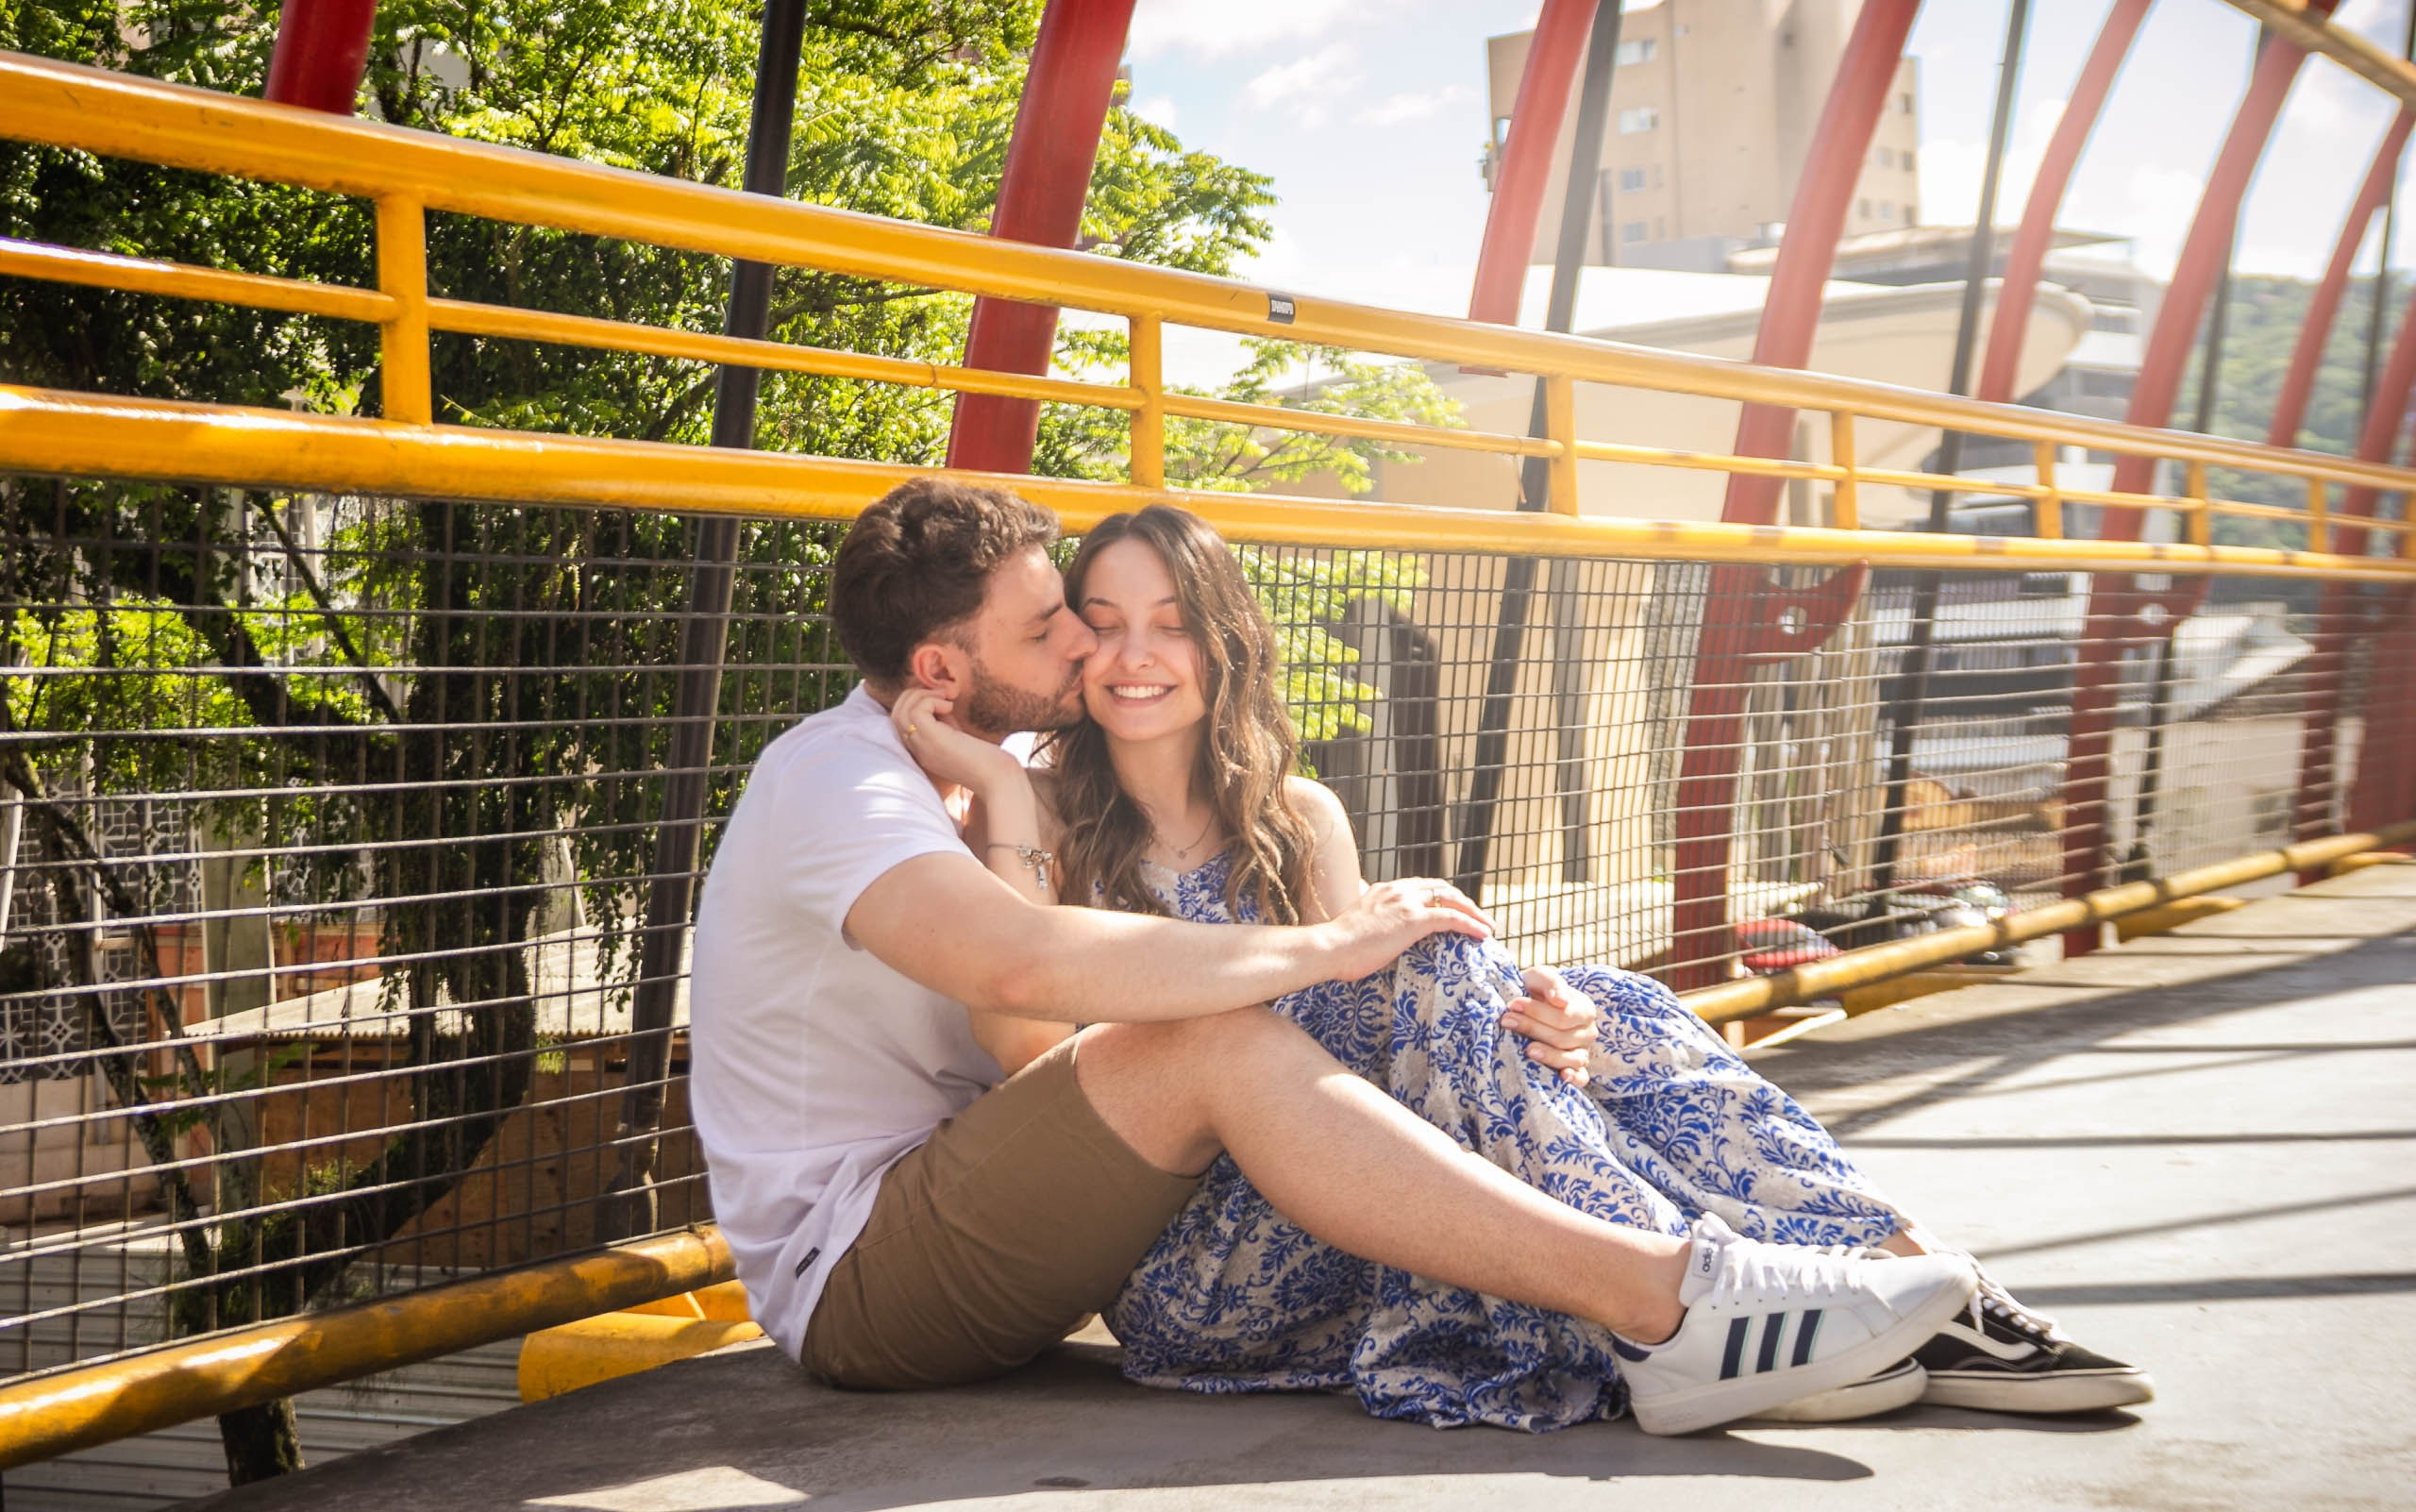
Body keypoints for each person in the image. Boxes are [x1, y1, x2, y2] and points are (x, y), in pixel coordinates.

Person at [688, 477, 1979, 1437]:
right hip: (862, 1275)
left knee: (1590, 997)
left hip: (1002, 1211)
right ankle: (1676, 1300)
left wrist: (1436, 965)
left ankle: (1866, 1264)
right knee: (1220, 1031)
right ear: (939, 670)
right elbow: (1025, 978)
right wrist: (1323, 941)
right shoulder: (842, 788)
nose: (1092, 652)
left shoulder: (1004, 770)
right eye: (1054, 632)